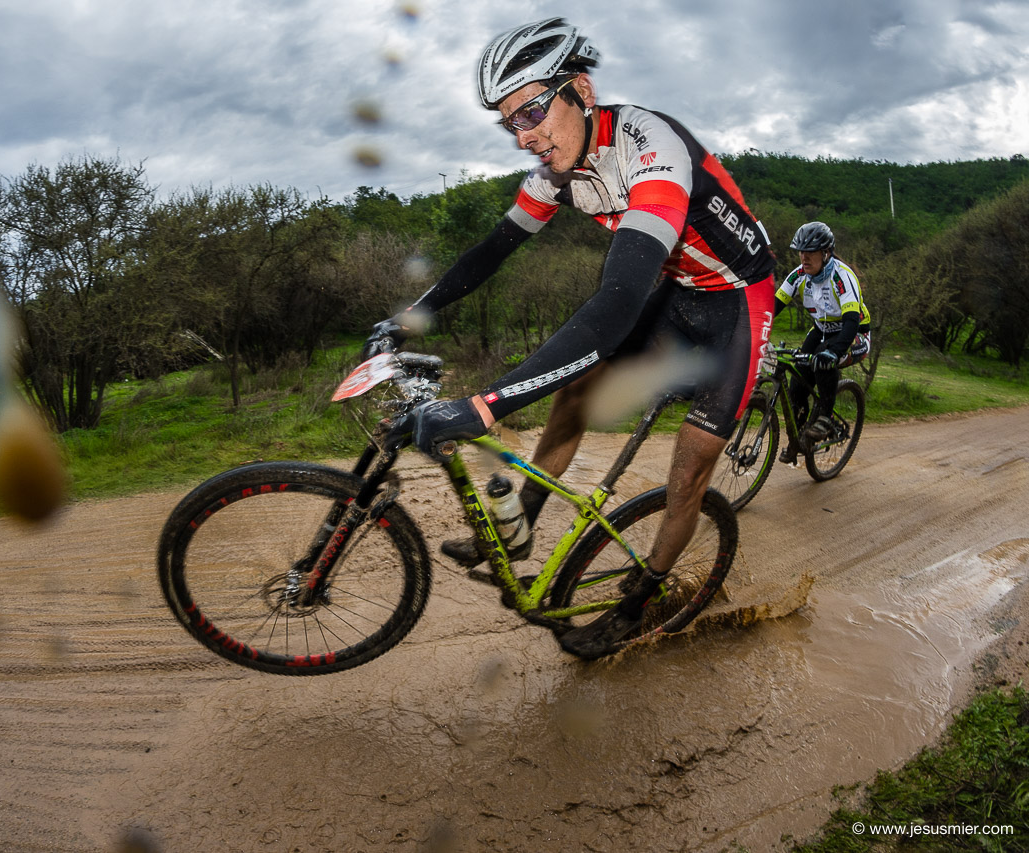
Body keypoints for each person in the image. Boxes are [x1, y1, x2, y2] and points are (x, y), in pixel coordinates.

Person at [363, 17, 776, 659]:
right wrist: (411, 314)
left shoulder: (649, 146)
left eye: (533, 112)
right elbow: (491, 251)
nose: (525, 137)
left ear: (580, 89)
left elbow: (613, 307)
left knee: (691, 466)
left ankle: (642, 597)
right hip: (674, 288)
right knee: (574, 393)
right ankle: (521, 523)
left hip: (736, 301)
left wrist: (485, 406)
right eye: (511, 124)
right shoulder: (557, 167)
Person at [773, 222, 872, 464]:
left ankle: (825, 418)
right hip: (822, 329)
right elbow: (773, 306)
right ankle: (799, 439)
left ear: (826, 253)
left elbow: (851, 320)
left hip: (854, 333)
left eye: (810, 252)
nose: (804, 257)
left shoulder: (842, 277)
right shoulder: (798, 276)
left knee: (823, 359)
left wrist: (836, 352)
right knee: (797, 385)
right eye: (801, 251)